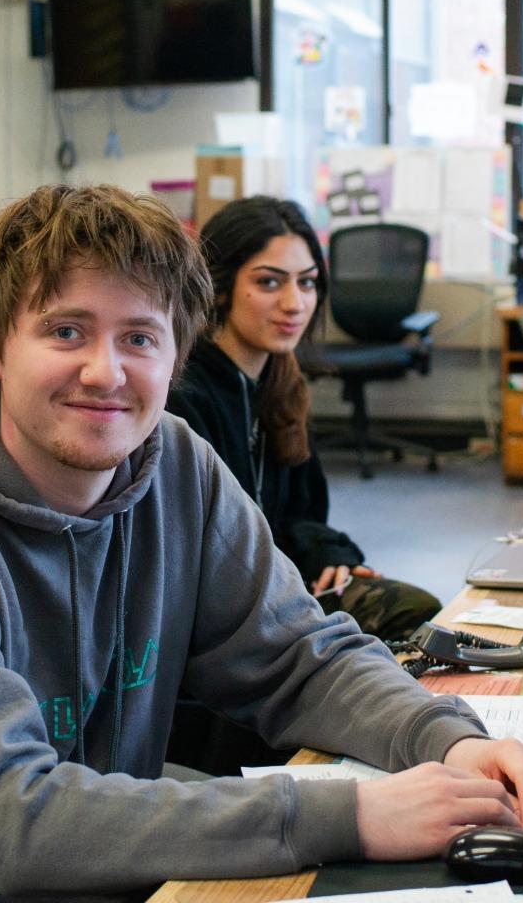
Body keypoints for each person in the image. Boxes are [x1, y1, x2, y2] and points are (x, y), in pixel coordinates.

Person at [0, 185, 523, 902]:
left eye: (140, 338)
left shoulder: (175, 465)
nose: (105, 372)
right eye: (67, 331)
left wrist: (443, 743)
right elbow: (16, 822)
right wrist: (354, 812)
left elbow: (299, 657)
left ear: (176, 353)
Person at [165, 195, 441, 641]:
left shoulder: (279, 383)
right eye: (270, 283)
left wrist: (327, 554)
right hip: (220, 616)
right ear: (219, 286)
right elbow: (209, 551)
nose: (295, 303)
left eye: (308, 283)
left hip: (279, 583)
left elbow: (295, 517)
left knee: (414, 615)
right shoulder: (186, 398)